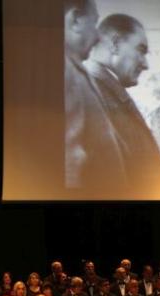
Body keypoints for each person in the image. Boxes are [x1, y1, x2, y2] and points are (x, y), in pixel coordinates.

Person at [85, 11, 160, 191]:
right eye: (141, 50)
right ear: (115, 44)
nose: (145, 64)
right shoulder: (91, 94)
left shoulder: (102, 90)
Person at [64, 0, 126, 190]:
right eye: (94, 23)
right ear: (76, 19)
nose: (99, 37)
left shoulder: (71, 68)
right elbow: (69, 165)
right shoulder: (66, 70)